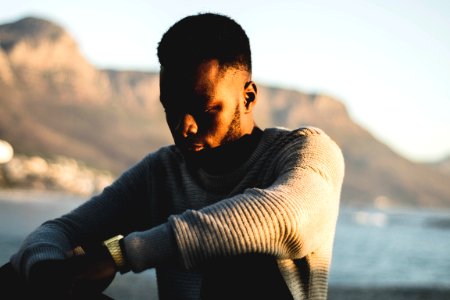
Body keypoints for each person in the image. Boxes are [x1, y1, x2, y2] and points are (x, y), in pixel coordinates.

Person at [5, 12, 345, 300]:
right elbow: (61, 230)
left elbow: (284, 215)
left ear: (249, 97)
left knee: (239, 262)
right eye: (172, 108)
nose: (185, 126)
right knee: (14, 278)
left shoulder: (306, 151)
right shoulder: (162, 171)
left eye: (205, 108)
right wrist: (46, 272)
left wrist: (121, 254)